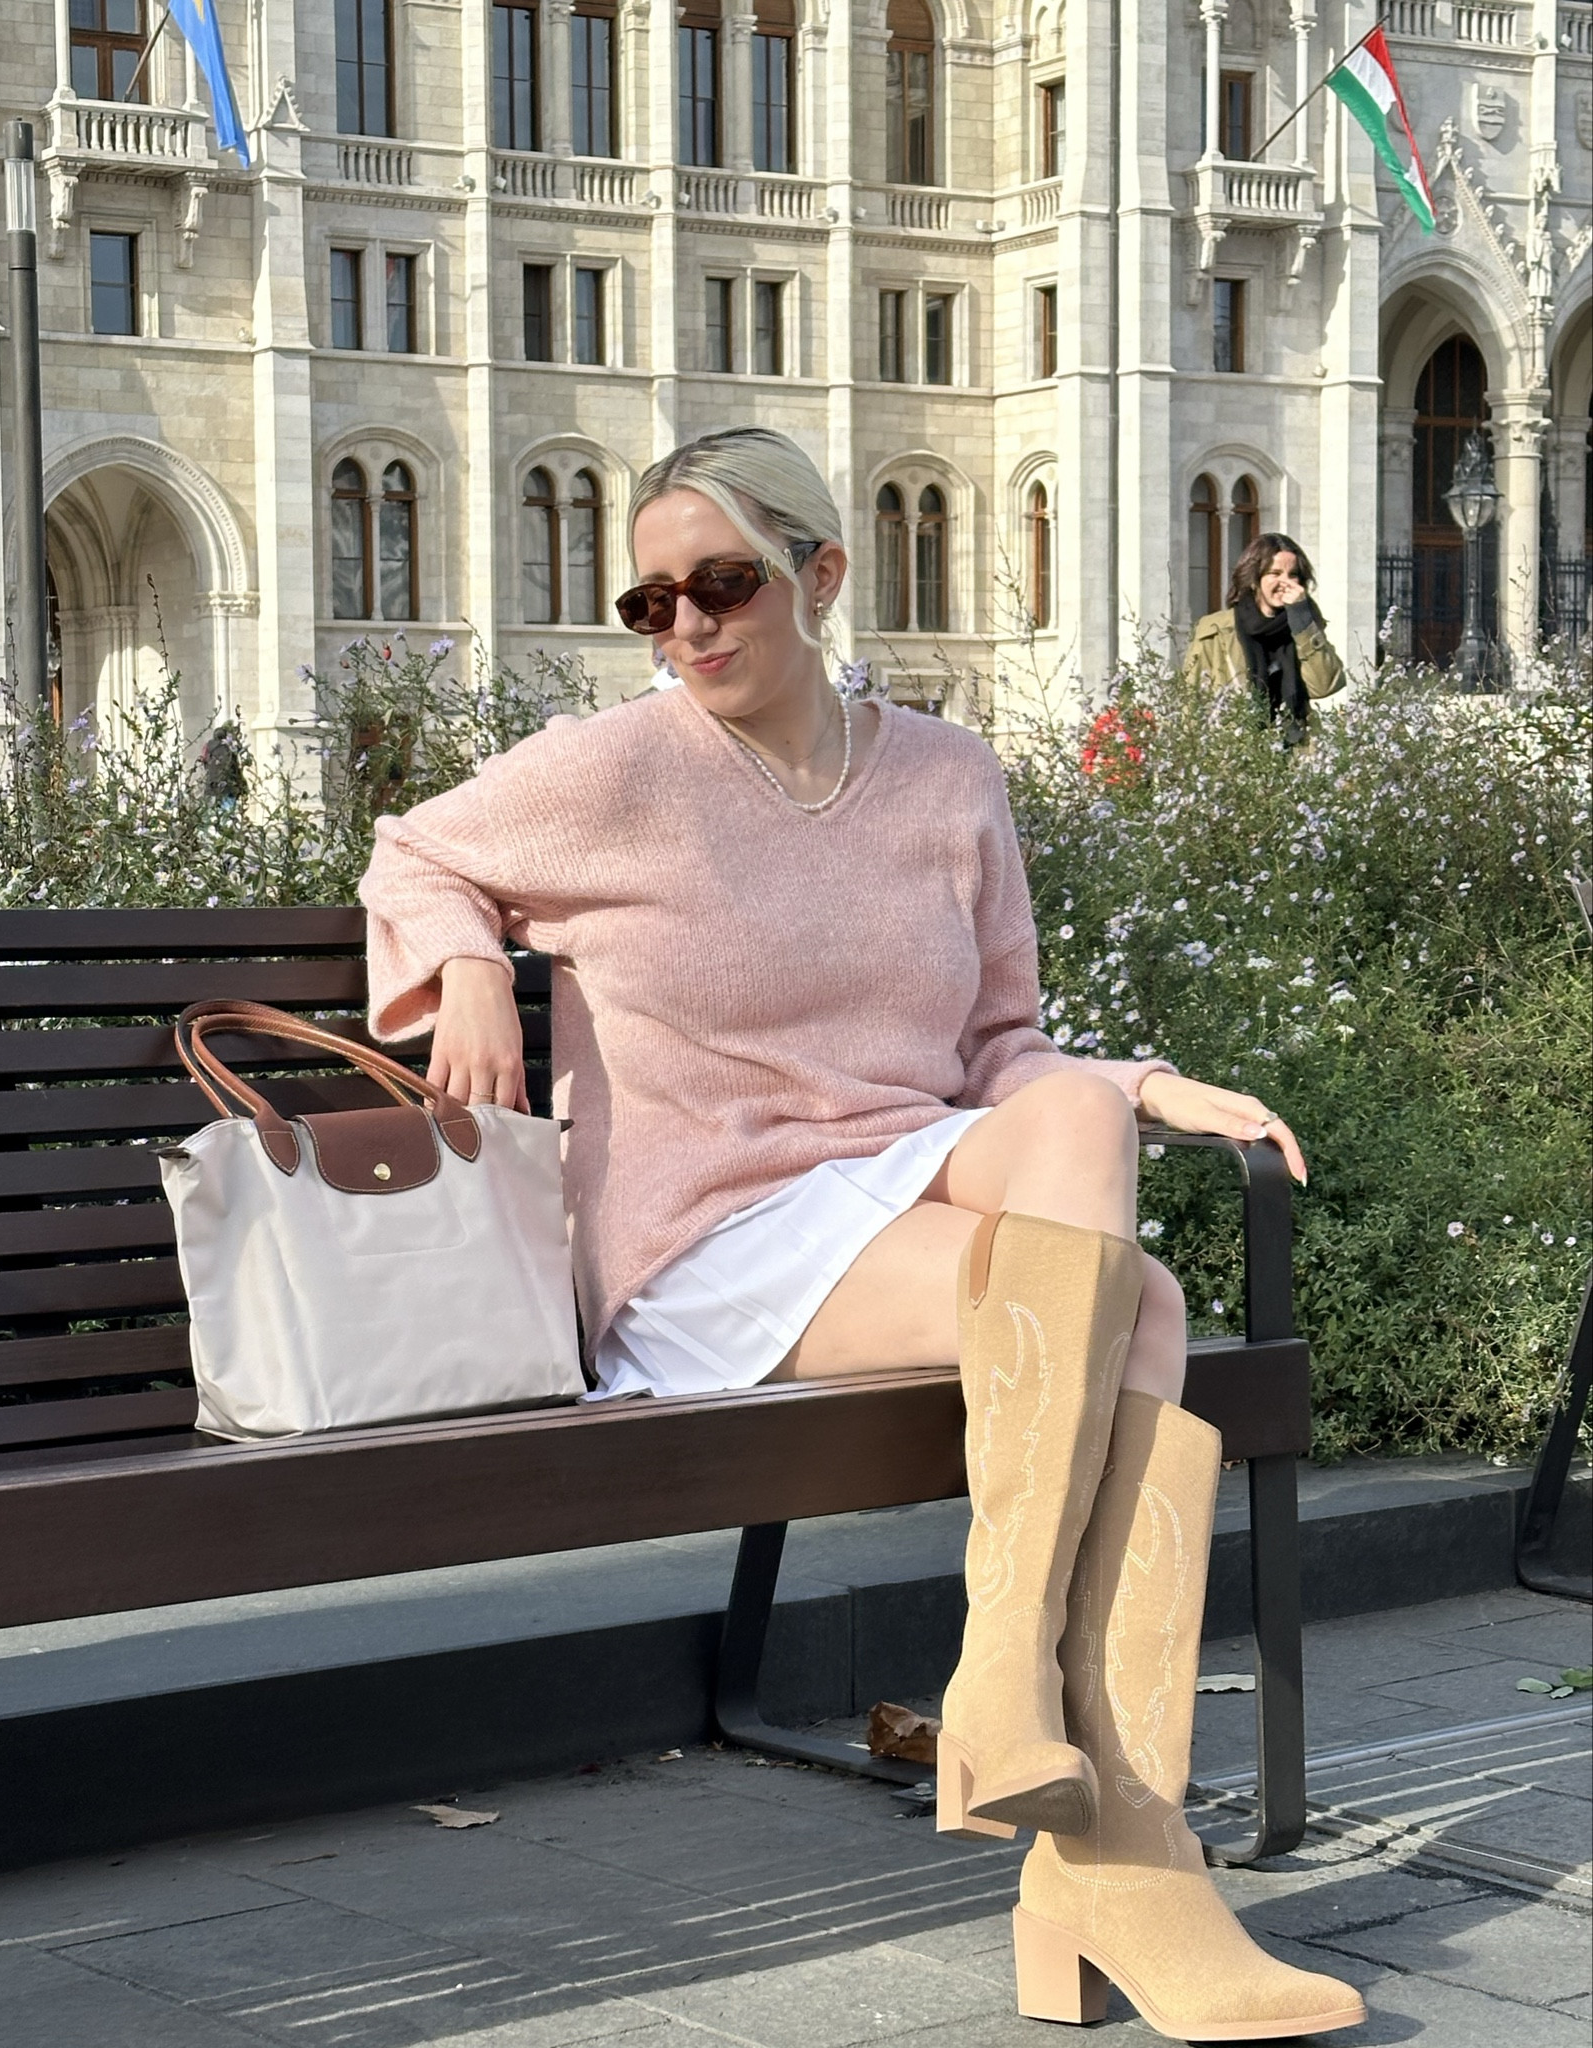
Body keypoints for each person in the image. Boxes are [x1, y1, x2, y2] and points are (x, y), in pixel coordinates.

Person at [359, 429, 1364, 2042]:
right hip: (708, 1237)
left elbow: (1001, 1049)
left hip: (900, 1175)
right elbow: (413, 848)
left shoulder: (947, 776)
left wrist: (1152, 1080)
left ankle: (1032, 1736)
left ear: (821, 577)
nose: (686, 622)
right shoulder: (620, 765)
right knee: (1148, 1309)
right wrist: (472, 962)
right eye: (652, 596)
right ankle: (1117, 1835)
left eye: (724, 582)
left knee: (1091, 1151)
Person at [1186, 533, 1343, 733]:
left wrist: (1302, 622)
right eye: (1275, 573)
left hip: (1294, 754)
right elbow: (1191, 703)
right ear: (1254, 579)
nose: (1285, 582)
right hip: (1235, 753)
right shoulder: (1217, 630)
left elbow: (1324, 686)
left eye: (1293, 574)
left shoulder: (1305, 626)